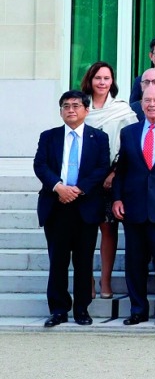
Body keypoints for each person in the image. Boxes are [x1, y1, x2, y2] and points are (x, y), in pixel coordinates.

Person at [34, 91, 110, 327]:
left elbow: (102, 167)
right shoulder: (49, 136)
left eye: (76, 105)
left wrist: (77, 189)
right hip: (56, 204)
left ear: (86, 110)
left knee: (84, 260)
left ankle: (81, 309)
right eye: (65, 106)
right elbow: (40, 165)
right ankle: (58, 309)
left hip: (85, 205)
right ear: (60, 111)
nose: (70, 110)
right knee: (57, 259)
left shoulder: (99, 137)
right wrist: (59, 187)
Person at [112, 85, 155, 325]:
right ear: (141, 104)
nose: (152, 104)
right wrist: (117, 198)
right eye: (147, 100)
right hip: (134, 207)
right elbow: (122, 171)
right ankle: (137, 310)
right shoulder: (129, 132)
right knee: (134, 264)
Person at [80, 61, 136, 300]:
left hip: (111, 176)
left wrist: (114, 173)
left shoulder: (122, 109)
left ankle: (105, 281)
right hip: (84, 178)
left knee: (108, 229)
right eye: (98, 78)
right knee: (84, 232)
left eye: (106, 78)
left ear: (112, 82)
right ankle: (88, 280)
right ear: (90, 80)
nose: (102, 83)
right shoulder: (80, 106)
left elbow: (131, 145)